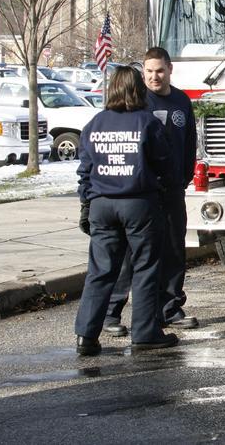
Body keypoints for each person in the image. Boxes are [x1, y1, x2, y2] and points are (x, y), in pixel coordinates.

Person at [74, 66, 178, 355]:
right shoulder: (147, 123)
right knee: (145, 268)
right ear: (139, 90)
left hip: (101, 204)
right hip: (139, 203)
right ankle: (145, 332)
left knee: (100, 271)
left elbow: (85, 170)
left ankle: (86, 335)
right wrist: (166, 192)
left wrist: (86, 202)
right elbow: (164, 165)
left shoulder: (94, 124)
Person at [104, 47, 198, 336]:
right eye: (149, 71)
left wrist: (183, 178)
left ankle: (169, 307)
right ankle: (112, 313)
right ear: (142, 73)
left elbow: (189, 141)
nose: (154, 77)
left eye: (159, 70)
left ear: (170, 70)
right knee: (131, 253)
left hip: (172, 190)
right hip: (142, 191)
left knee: (173, 249)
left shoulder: (181, 101)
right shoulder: (136, 101)